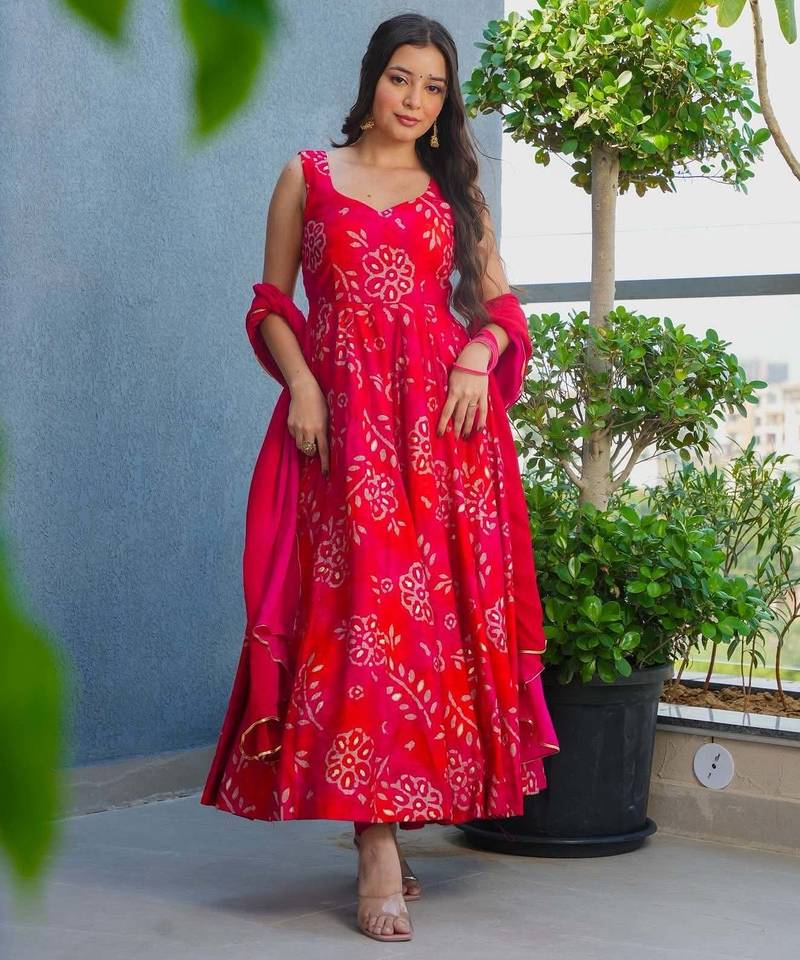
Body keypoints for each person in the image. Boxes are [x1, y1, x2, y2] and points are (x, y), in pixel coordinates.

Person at [199, 11, 560, 943]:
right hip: (346, 431)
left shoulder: (456, 189)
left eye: (434, 87)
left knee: (425, 630)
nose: (415, 100)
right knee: (363, 618)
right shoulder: (307, 176)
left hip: (443, 438)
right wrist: (302, 384)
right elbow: (271, 301)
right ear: (371, 79)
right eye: (402, 78)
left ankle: (389, 824)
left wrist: (479, 353)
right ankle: (375, 846)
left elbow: (503, 307)